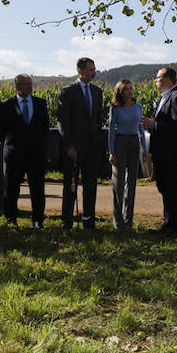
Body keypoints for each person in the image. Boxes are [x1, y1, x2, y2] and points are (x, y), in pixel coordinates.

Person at [0, 74, 49, 228]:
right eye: (26, 84)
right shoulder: (6, 105)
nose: (29, 87)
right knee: (11, 188)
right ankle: (11, 218)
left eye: (30, 84)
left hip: (36, 154)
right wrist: (11, 145)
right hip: (14, 154)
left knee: (37, 189)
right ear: (17, 87)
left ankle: (38, 219)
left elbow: (45, 128)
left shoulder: (40, 103)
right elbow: (1, 131)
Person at [57, 57, 104, 230]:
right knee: (70, 186)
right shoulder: (68, 91)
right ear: (80, 70)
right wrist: (69, 145)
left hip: (92, 147)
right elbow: (62, 121)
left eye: (94, 69)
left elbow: (97, 119)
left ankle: (89, 220)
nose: (94, 72)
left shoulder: (97, 92)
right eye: (91, 69)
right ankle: (67, 221)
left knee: (91, 185)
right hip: (74, 147)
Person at [141, 67, 177, 236]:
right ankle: (168, 223)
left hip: (170, 151)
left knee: (171, 189)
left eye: (158, 78)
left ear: (167, 79)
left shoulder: (176, 98)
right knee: (164, 188)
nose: (155, 81)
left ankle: (173, 226)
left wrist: (155, 125)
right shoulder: (165, 98)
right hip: (162, 151)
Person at [106, 79, 146, 230]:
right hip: (120, 143)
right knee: (118, 183)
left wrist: (144, 149)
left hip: (134, 143)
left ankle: (128, 221)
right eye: (126, 89)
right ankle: (118, 222)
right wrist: (111, 151)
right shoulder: (115, 109)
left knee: (132, 183)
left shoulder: (139, 107)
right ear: (120, 92)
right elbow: (111, 132)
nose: (130, 91)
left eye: (131, 88)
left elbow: (141, 129)